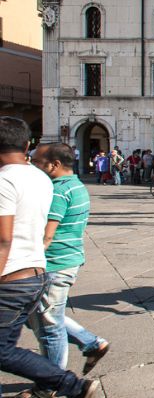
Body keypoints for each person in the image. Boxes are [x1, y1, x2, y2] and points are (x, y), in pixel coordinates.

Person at [0, 118, 98, 398]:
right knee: (30, 331)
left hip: (17, 275)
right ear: (26, 145)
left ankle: (66, 380)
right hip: (37, 272)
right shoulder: (42, 180)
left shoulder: (10, 181)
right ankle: (79, 365)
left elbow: (6, 239)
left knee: (39, 330)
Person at [25, 144, 109, 380]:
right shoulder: (77, 186)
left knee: (48, 326)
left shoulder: (58, 192)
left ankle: (54, 380)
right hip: (69, 257)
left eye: (36, 162)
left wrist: (30, 260)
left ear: (55, 165)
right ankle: (91, 343)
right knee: (37, 317)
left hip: (55, 262)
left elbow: (47, 235)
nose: (32, 165)